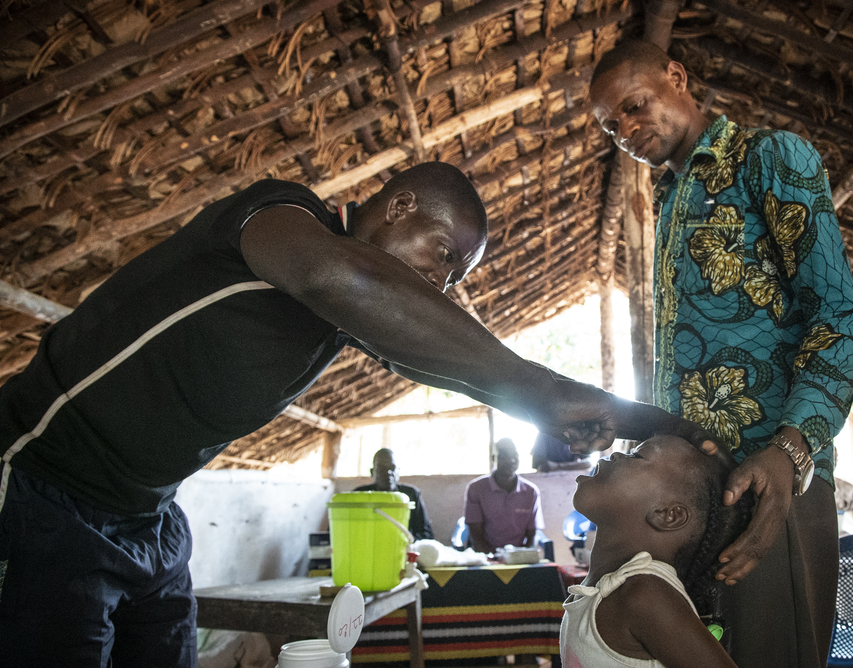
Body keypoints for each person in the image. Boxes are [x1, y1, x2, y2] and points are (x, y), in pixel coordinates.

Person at [0, 160, 717, 667]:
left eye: (452, 278)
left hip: (149, 519)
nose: (439, 285)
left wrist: (652, 425)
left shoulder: (343, 324)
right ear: (399, 205)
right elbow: (338, 276)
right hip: (45, 487)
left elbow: (460, 368)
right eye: (442, 256)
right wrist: (544, 391)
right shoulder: (284, 218)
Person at [589, 41, 853, 668]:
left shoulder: (769, 158)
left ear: (677, 78)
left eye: (634, 107)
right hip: (697, 502)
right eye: (611, 126)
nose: (627, 131)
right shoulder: (669, 202)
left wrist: (791, 453)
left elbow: (842, 319)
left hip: (773, 487)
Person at [561, 435, 753, 668]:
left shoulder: (644, 593)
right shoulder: (600, 590)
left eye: (636, 456)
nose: (615, 454)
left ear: (668, 515)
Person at [463, 437, 543, 553]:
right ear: (494, 458)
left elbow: (532, 535)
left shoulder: (531, 492)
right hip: (487, 557)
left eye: (515, 455)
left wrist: (524, 557)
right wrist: (495, 560)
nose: (511, 460)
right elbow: (476, 536)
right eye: (504, 455)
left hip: (518, 557)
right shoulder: (476, 489)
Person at [354, 448, 434, 540]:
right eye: (382, 468)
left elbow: (426, 534)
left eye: (392, 468)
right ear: (372, 472)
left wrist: (404, 542)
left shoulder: (411, 495)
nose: (388, 473)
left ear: (398, 472)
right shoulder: (359, 495)